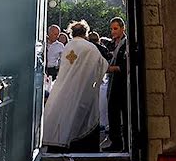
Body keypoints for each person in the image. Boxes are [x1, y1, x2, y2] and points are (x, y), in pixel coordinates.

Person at [43, 20, 108, 152]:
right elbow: (102, 65)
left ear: (71, 33)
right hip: (84, 88)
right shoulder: (89, 47)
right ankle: (81, 145)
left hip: (66, 88)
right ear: (86, 32)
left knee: (66, 113)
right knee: (82, 116)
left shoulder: (68, 46)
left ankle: (63, 141)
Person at [102, 17, 128, 152]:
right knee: (112, 112)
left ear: (123, 28)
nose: (113, 31)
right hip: (112, 83)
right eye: (111, 29)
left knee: (125, 113)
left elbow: (125, 66)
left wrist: (109, 68)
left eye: (115, 28)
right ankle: (116, 142)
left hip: (122, 84)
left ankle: (127, 144)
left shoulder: (126, 44)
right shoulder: (112, 44)